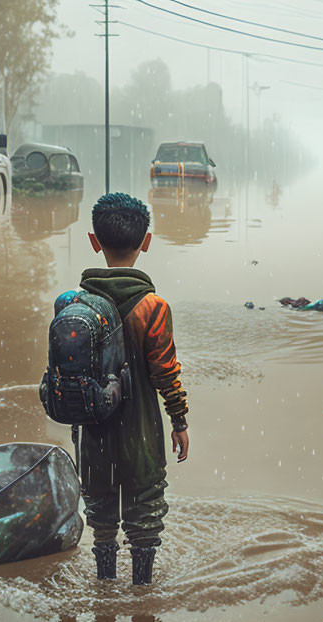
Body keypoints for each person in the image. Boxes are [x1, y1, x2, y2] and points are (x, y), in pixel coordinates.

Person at [78, 192, 189, 585]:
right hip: (140, 432)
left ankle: (103, 589)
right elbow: (165, 372)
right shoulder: (152, 307)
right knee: (144, 518)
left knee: (102, 520)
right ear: (147, 242)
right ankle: (142, 594)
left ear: (94, 241)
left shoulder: (76, 305)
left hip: (93, 435)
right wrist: (179, 419)